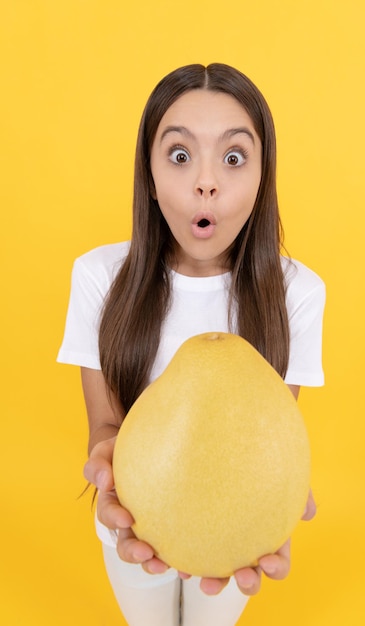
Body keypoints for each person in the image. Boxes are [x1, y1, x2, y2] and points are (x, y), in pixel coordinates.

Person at [57, 63, 325, 626]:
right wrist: (109, 470)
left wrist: (270, 505)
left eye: (233, 158)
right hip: (130, 520)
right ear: (150, 177)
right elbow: (105, 430)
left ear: (261, 178)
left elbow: (268, 437)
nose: (207, 182)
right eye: (180, 156)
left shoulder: (296, 291)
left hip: (233, 534)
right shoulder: (99, 278)